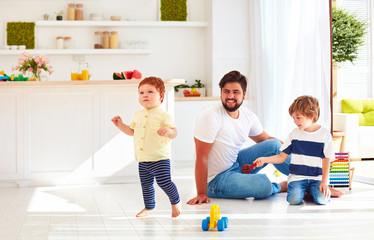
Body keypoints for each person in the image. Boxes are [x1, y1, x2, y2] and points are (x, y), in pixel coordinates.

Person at [186, 70, 343, 205]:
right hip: (216, 179)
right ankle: (285, 186)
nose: (230, 96)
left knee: (273, 144)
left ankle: (311, 181)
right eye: (226, 91)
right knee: (263, 186)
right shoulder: (210, 117)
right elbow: (201, 157)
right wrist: (201, 193)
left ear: (244, 94)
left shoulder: (248, 116)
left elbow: (268, 141)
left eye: (236, 92)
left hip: (236, 163)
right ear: (221, 92)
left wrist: (301, 151)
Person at [112, 76, 181, 217]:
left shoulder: (164, 115)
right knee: (146, 185)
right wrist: (120, 125)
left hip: (160, 157)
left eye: (150, 92)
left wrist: (168, 131)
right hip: (143, 158)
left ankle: (175, 202)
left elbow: (174, 132)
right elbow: (132, 131)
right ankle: (149, 207)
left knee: (164, 182)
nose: (145, 95)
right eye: (141, 92)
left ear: (161, 96)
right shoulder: (138, 115)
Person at [254, 95, 333, 205]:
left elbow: (326, 160)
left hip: (316, 178)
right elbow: (281, 157)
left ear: (311, 115)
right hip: (297, 178)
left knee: (322, 200)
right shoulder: (294, 134)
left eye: (298, 117)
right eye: (293, 118)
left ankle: (311, 191)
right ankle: (301, 190)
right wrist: (264, 159)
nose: (295, 121)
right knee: (294, 200)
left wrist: (324, 182)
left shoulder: (325, 135)